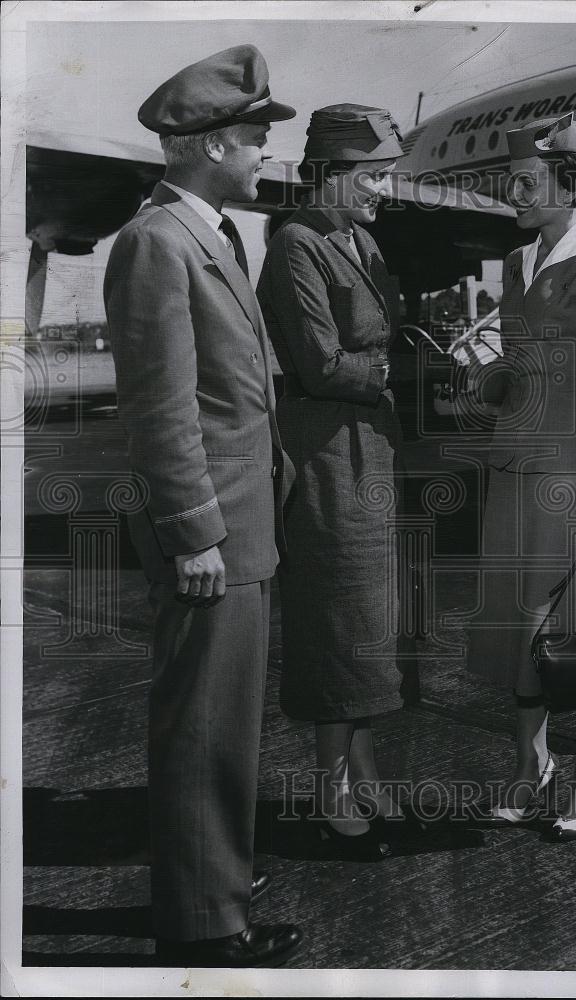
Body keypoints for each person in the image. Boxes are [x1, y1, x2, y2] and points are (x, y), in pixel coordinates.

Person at [104, 46, 303, 966]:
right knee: (203, 730)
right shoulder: (157, 242)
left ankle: (215, 892)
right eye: (258, 137)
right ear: (216, 144)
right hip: (212, 532)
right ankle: (204, 931)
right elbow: (160, 405)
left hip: (243, 524)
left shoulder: (212, 234)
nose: (266, 152)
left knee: (228, 727)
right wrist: (193, 534)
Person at [465, 112, 576, 840]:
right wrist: (489, 383)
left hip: (572, 485)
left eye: (527, 183)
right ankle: (527, 763)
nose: (514, 195)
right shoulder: (515, 262)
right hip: (513, 471)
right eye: (511, 183)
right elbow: (516, 361)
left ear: (568, 184)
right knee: (516, 626)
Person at [257, 105, 410, 860]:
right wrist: (389, 372)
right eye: (375, 175)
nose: (385, 188)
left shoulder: (361, 239)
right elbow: (319, 363)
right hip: (325, 453)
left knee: (370, 615)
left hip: (369, 447)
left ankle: (365, 765)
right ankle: (331, 786)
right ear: (334, 174)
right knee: (336, 616)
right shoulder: (296, 245)